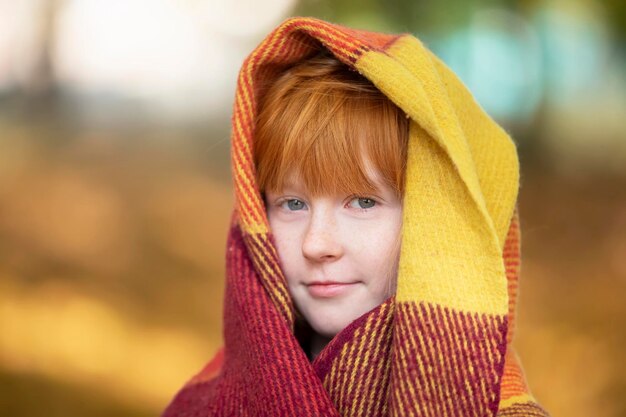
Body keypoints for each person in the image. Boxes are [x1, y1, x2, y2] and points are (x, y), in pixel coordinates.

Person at [162, 16, 550, 417]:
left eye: (363, 202)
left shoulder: (497, 409)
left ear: (437, 222)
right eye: (292, 204)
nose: (317, 244)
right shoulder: (211, 402)